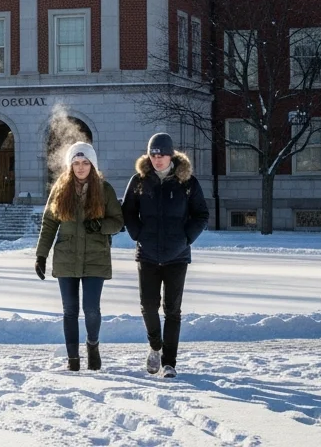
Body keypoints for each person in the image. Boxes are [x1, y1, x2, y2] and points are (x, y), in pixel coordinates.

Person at [122, 132, 209, 379]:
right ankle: (155, 347)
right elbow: (128, 212)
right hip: (147, 254)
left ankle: (169, 362)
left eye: (161, 154)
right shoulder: (139, 181)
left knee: (173, 310)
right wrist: (138, 234)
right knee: (148, 306)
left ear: (171, 154)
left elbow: (201, 214)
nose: (157, 159)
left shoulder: (187, 182)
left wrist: (185, 239)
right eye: (153, 154)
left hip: (177, 256)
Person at [35, 142, 124, 372]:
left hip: (96, 256)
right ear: (70, 165)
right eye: (76, 163)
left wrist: (100, 225)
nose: (81, 167)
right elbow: (49, 223)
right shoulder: (60, 189)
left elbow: (117, 222)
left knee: (91, 309)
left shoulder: (104, 190)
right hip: (66, 256)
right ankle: (73, 358)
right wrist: (41, 255)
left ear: (92, 165)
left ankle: (92, 345)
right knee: (70, 310)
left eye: (85, 163)